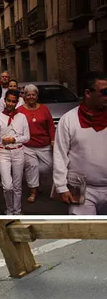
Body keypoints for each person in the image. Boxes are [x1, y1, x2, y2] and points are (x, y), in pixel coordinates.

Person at [53, 72, 107, 214]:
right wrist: (61, 186)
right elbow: (60, 154)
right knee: (87, 232)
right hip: (82, 189)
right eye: (104, 92)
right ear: (88, 93)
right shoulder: (69, 119)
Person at [0, 90, 29, 215]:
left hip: (18, 151)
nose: (11, 104)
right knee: (7, 186)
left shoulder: (22, 117)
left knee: (17, 185)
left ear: (17, 102)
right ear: (4, 101)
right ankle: (9, 208)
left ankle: (17, 211)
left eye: (13, 101)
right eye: (9, 101)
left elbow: (27, 137)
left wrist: (14, 139)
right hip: (4, 152)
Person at [18, 84, 55, 203]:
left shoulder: (44, 109)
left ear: (37, 96)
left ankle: (34, 182)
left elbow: (50, 126)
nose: (31, 97)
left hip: (44, 145)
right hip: (28, 145)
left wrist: (53, 140)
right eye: (28, 94)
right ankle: (33, 191)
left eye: (33, 94)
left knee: (47, 167)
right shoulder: (20, 110)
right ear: (25, 96)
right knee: (32, 167)